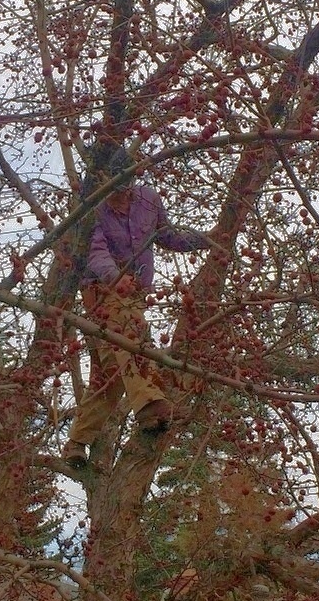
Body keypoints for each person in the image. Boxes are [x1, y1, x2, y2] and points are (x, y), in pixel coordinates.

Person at [61, 162, 211, 468]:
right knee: (132, 341)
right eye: (114, 193)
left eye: (124, 191)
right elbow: (96, 251)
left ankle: (77, 442)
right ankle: (151, 407)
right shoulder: (92, 207)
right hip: (103, 290)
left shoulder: (148, 199)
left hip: (135, 293)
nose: (120, 198)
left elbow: (166, 235)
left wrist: (203, 239)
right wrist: (114, 277)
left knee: (110, 373)